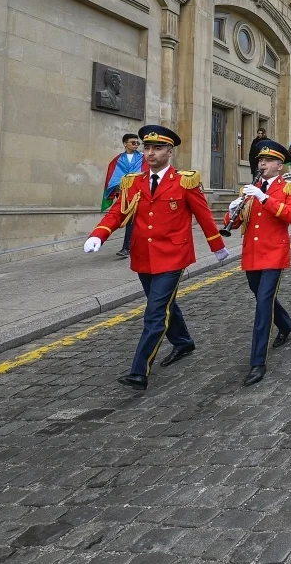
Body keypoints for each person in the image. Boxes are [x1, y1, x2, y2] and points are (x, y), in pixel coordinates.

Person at [84, 125, 229, 390]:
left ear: (169, 152)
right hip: (143, 255)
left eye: (157, 148)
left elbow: (204, 215)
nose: (150, 153)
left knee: (154, 313)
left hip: (173, 255)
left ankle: (139, 371)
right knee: (163, 304)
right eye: (147, 148)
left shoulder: (185, 180)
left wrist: (216, 245)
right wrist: (99, 234)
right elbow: (117, 213)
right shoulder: (134, 181)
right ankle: (183, 342)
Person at [226, 138, 291, 385]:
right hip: (252, 254)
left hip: (273, 254)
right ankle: (286, 324)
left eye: (268, 160)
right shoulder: (251, 188)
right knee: (261, 296)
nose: (263, 164)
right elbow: (237, 223)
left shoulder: (289, 188)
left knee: (262, 306)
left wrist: (264, 197)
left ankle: (257, 362)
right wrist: (232, 210)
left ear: (280, 165)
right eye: (261, 160)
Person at [102, 133, 146, 259]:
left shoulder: (144, 158)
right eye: (133, 142)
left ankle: (128, 248)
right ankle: (128, 247)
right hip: (126, 195)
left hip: (142, 194)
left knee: (136, 221)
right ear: (125, 144)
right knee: (130, 221)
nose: (136, 145)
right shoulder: (117, 160)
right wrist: (123, 184)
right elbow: (113, 177)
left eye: (138, 143)